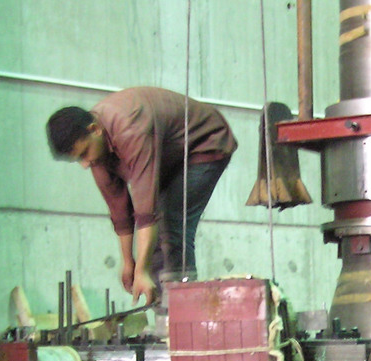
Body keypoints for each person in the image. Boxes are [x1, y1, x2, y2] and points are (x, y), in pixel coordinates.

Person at [45, 87, 236, 307]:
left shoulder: (130, 129)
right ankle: (163, 311)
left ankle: (181, 309)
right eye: (77, 159)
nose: (85, 164)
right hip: (169, 156)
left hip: (204, 145)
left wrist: (142, 270)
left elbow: (146, 211)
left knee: (171, 222)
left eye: (84, 154)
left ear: (94, 129)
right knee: (153, 240)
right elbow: (120, 213)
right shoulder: (96, 150)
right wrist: (129, 264)